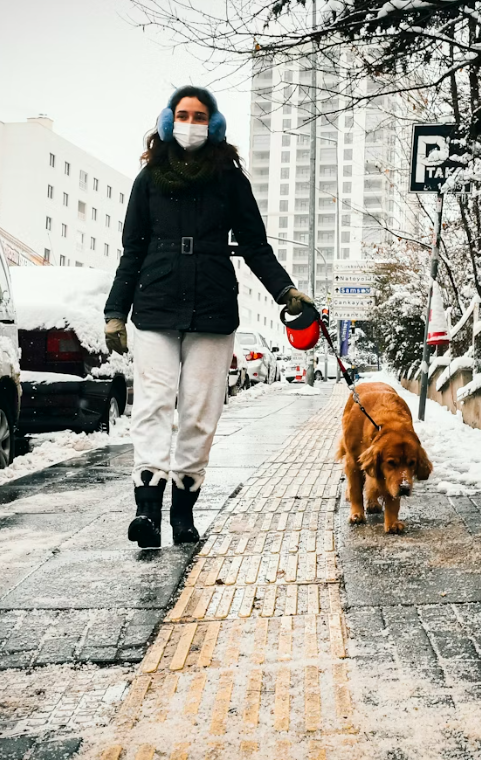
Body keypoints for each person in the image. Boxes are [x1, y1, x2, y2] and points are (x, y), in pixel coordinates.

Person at [104, 86, 312, 549]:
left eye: (200, 116)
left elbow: (256, 246)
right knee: (153, 407)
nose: (190, 123)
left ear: (213, 124)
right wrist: (115, 311)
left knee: (199, 414)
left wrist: (285, 289)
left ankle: (182, 514)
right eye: (183, 114)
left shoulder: (230, 180)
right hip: (155, 306)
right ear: (167, 120)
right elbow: (131, 250)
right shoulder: (149, 179)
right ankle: (145, 512)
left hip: (214, 309)